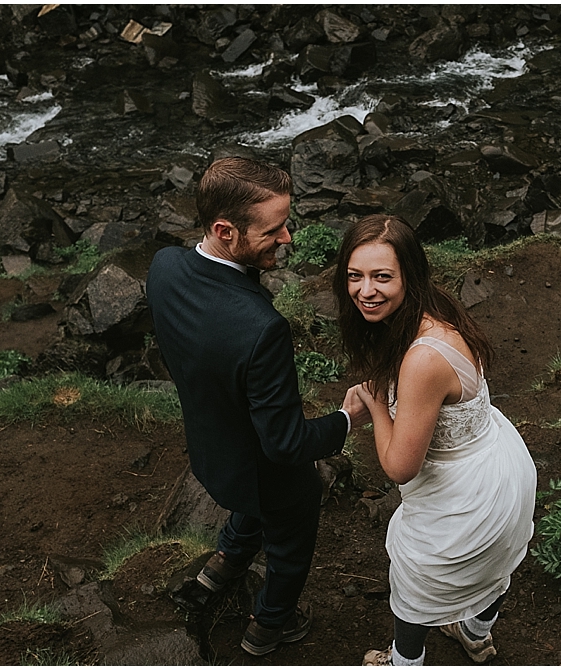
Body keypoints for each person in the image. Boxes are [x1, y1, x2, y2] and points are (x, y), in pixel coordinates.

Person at [146, 157, 369, 656]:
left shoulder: (164, 267)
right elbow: (286, 443)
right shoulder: (260, 329)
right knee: (291, 535)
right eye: (273, 229)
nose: (288, 237)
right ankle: (269, 628)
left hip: (210, 451)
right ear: (225, 230)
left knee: (254, 504)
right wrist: (348, 419)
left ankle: (224, 563)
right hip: (266, 470)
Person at [332, 215, 537, 666]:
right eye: (355, 276)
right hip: (499, 464)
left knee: (418, 571)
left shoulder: (423, 359)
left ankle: (405, 661)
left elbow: (400, 467)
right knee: (490, 567)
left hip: (469, 492)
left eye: (382, 277)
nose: (365, 290)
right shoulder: (434, 308)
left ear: (409, 275)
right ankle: (476, 634)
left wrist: (373, 401)